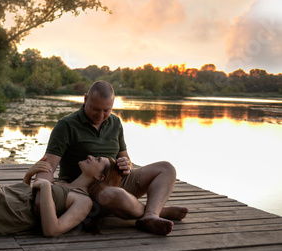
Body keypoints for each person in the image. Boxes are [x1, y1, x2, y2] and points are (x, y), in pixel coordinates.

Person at [34, 81, 188, 235]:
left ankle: (151, 215)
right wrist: (42, 192)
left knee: (166, 168)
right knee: (113, 194)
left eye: (106, 110)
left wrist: (127, 165)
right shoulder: (66, 125)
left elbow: (125, 158)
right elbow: (48, 165)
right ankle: (158, 211)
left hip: (117, 179)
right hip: (87, 189)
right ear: (86, 99)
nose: (100, 116)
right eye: (96, 109)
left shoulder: (115, 122)